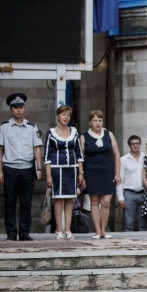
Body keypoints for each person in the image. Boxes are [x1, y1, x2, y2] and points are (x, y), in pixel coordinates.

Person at [0, 93, 43, 241]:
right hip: (10, 168)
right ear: (11, 109)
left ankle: (24, 232)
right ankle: (11, 233)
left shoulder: (31, 127)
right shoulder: (4, 127)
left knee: (26, 202)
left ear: (24, 108)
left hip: (27, 168)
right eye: (15, 107)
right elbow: (0, 149)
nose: (18, 110)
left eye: (21, 107)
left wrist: (39, 168)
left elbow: (36, 148)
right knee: (10, 202)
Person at [44, 105, 83, 240]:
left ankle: (68, 230)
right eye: (63, 114)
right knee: (58, 199)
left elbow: (79, 153)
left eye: (68, 115)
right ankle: (58, 230)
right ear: (58, 116)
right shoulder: (51, 132)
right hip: (56, 168)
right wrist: (48, 175)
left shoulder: (74, 132)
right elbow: (47, 155)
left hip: (71, 168)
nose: (66, 117)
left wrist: (80, 172)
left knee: (70, 199)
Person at [80, 110, 121, 239]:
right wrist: (81, 174)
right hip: (91, 170)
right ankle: (97, 231)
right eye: (95, 120)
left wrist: (117, 173)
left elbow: (116, 154)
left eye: (100, 120)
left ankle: (104, 230)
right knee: (94, 201)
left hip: (107, 170)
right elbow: (80, 157)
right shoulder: (84, 136)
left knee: (106, 201)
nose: (97, 123)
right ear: (90, 122)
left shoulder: (109, 134)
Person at [116, 135, 147, 231]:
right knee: (129, 223)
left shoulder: (145, 158)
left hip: (143, 193)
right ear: (129, 145)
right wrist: (120, 197)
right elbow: (120, 179)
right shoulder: (123, 160)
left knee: (143, 223)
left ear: (140, 144)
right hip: (129, 193)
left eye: (137, 143)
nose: (135, 146)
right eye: (133, 144)